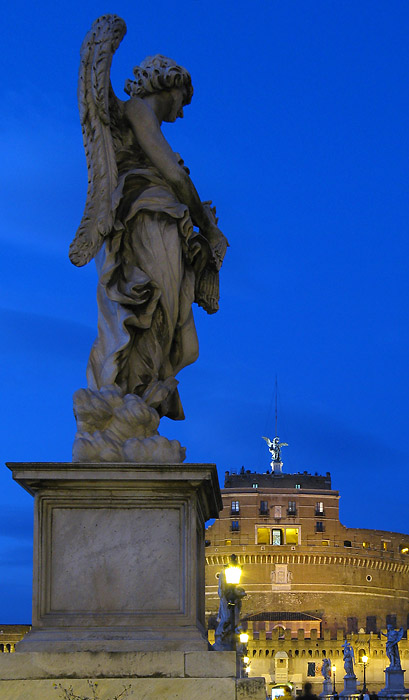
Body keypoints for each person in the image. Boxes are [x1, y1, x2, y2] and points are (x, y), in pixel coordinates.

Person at [70, 16, 228, 461]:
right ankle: (126, 405)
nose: (182, 110)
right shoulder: (138, 111)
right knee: (150, 310)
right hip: (148, 219)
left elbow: (175, 176)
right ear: (168, 84)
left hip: (165, 222)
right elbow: (174, 175)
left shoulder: (146, 122)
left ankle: (139, 405)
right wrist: (208, 224)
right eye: (183, 98)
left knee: (171, 324)